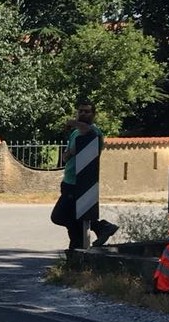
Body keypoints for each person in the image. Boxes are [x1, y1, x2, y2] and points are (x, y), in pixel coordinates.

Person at [49, 99, 119, 250]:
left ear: (94, 114)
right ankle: (79, 247)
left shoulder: (94, 132)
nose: (82, 113)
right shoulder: (75, 133)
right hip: (69, 181)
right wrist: (68, 154)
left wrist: (72, 122)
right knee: (75, 220)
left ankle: (100, 226)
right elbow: (66, 156)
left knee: (59, 216)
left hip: (81, 182)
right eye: (80, 111)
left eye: (87, 111)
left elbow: (87, 130)